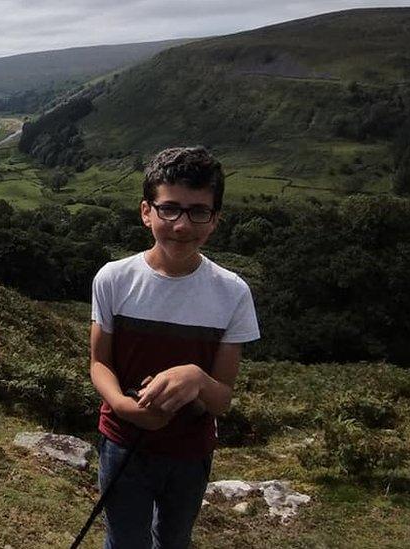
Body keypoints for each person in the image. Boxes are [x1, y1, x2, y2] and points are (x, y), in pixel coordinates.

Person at [89, 146, 260, 549]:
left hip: (189, 452)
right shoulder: (113, 279)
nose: (182, 225)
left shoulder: (232, 293)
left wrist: (196, 378)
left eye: (198, 212)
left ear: (215, 220)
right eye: (170, 209)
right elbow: (100, 363)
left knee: (174, 540)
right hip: (122, 441)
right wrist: (126, 407)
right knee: (124, 541)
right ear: (146, 211)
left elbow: (220, 400)